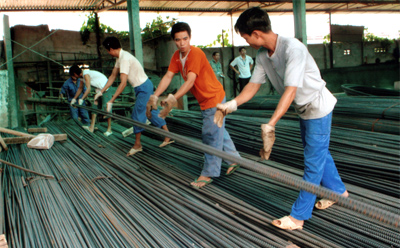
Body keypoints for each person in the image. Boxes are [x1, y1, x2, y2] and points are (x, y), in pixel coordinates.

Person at [214, 7, 348, 230]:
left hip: (317, 107)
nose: (246, 42)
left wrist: (271, 124)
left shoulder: (293, 49)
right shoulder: (262, 55)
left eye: (246, 37)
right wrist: (232, 104)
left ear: (256, 33)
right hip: (303, 109)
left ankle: (298, 217)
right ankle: (339, 192)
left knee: (313, 162)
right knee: (317, 152)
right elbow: (253, 85)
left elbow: (291, 90)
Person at [146, 22, 241, 189]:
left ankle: (209, 173)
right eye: (178, 40)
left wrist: (172, 99)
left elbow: (190, 81)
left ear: (190, 37)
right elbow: (168, 76)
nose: (182, 43)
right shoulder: (177, 56)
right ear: (174, 41)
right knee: (218, 131)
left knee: (210, 135)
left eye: (185, 38)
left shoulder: (195, 53)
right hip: (205, 100)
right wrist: (154, 95)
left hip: (214, 98)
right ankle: (234, 160)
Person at [99, 36, 173, 156]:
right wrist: (101, 91)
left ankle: (137, 145)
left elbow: (123, 83)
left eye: (108, 51)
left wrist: (111, 100)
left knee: (137, 115)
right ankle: (167, 136)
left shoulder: (124, 59)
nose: (108, 53)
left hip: (143, 88)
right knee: (151, 113)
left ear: (111, 49)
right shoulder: (120, 58)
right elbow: (113, 76)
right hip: (143, 87)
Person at [70, 66, 113, 135]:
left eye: (73, 74)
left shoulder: (85, 74)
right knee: (94, 108)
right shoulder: (81, 78)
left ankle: (109, 129)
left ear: (75, 73)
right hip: (98, 90)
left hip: (105, 89)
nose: (73, 76)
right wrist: (74, 99)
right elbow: (80, 88)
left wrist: (82, 98)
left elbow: (88, 89)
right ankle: (91, 127)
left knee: (107, 109)